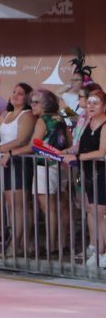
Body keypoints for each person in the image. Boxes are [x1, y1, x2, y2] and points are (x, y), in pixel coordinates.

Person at [14, 88, 71, 260]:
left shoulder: (42, 120)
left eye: (36, 102)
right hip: (60, 166)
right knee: (59, 206)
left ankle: (51, 245)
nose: (32, 105)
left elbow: (34, 145)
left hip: (44, 166)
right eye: (32, 101)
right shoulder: (60, 118)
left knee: (48, 207)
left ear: (45, 104)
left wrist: (11, 153)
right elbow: (68, 142)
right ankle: (59, 244)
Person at [0, 82, 36, 257]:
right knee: (12, 205)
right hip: (7, 162)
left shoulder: (27, 115)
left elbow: (21, 140)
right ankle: (23, 242)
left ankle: (16, 244)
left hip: (20, 161)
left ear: (27, 98)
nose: (15, 95)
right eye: (14, 91)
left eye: (20, 93)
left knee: (20, 205)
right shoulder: (7, 114)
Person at [63, 88, 106, 269]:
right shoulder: (89, 121)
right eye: (89, 102)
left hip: (102, 172)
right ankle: (97, 249)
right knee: (92, 210)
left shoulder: (105, 124)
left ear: (104, 106)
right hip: (87, 173)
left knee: (101, 213)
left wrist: (77, 157)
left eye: (96, 103)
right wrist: (64, 152)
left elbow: (102, 152)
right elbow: (80, 145)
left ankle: (102, 252)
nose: (91, 106)